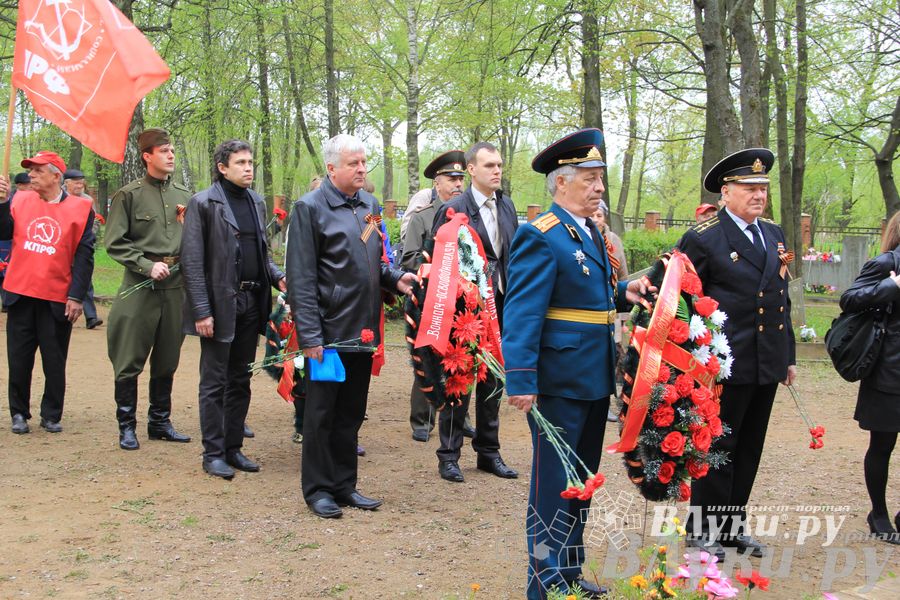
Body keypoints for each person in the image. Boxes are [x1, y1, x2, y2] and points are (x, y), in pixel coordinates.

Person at [504, 129, 648, 599]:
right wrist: (521, 378)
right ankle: (543, 585)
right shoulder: (539, 235)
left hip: (592, 376)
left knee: (581, 485)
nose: (598, 188)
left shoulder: (587, 231)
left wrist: (622, 292)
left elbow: (586, 295)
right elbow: (523, 311)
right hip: (558, 381)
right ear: (561, 183)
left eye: (600, 179)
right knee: (552, 490)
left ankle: (568, 575)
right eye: (588, 179)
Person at [286, 133, 415, 518]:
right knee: (322, 414)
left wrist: (395, 279)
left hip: (363, 329)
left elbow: (376, 256)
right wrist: (310, 336)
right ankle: (319, 489)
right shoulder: (309, 208)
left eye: (364, 163)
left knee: (352, 413)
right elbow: (302, 277)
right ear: (331, 169)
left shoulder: (371, 206)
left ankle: (345, 485)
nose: (361, 169)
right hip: (327, 332)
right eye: (353, 164)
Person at [677, 148, 797, 560]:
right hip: (722, 364)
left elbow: (781, 299)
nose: (758, 194)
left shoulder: (774, 234)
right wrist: (691, 356)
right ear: (726, 192)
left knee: (749, 446)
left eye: (763, 187)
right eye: (749, 187)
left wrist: (788, 355)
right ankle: (702, 529)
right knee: (718, 445)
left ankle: (732, 526)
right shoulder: (705, 237)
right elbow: (681, 300)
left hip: (765, 360)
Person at [181, 139, 286, 480]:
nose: (248, 168)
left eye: (250, 162)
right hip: (219, 304)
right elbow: (193, 262)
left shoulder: (256, 201)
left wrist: (278, 278)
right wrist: (201, 310)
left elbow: (262, 253)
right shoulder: (203, 203)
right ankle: (212, 453)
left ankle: (233, 447)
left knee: (240, 378)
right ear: (222, 167)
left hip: (252, 302)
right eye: (240, 162)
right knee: (214, 381)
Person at [430, 141, 519, 483]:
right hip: (464, 312)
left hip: (502, 305)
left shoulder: (508, 206)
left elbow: (509, 255)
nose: (497, 171)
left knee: (494, 381)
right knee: (459, 382)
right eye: (489, 166)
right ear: (471, 170)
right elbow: (438, 260)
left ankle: (488, 451)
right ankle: (449, 455)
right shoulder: (454, 208)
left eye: (499, 165)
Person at [105, 129, 192, 450]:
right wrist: (144, 264)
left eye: (172, 151)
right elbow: (114, 242)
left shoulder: (184, 195)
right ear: (147, 156)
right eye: (164, 151)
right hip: (140, 286)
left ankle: (159, 422)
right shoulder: (129, 195)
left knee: (168, 357)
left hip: (175, 287)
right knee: (128, 357)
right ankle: (126, 426)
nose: (171, 156)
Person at [1, 151, 94, 434]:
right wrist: (2, 203)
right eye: (30, 170)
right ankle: (19, 413)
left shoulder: (80, 208)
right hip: (21, 291)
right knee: (19, 358)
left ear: (56, 176)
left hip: (56, 295)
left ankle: (51, 414)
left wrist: (76, 296)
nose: (31, 175)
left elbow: (84, 255)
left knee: (54, 360)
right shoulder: (20, 199)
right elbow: (3, 232)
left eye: (38, 170)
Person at [401, 150, 474, 443]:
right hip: (430, 298)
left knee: (464, 359)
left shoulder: (469, 216)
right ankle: (422, 419)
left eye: (460, 178)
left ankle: (461, 416)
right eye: (451, 178)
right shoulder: (423, 216)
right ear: (437, 182)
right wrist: (440, 268)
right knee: (428, 357)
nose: (458, 183)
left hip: (463, 301)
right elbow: (408, 258)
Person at [839, 212, 900, 545]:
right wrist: (891, 286)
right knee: (883, 444)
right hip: (890, 370)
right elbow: (848, 300)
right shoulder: (886, 263)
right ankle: (878, 513)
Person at [590, 200, 629, 424]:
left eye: (599, 215)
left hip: (612, 307)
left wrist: (623, 316)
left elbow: (622, 275)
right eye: (593, 215)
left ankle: (607, 402)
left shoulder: (613, 240)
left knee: (612, 355)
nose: (596, 219)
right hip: (592, 310)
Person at [64, 169, 103, 329]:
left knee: (84, 279)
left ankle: (91, 317)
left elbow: (95, 221)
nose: (80, 185)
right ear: (66, 183)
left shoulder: (88, 200)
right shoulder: (60, 198)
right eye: (76, 182)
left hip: (82, 246)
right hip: (63, 247)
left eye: (82, 182)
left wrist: (89, 236)